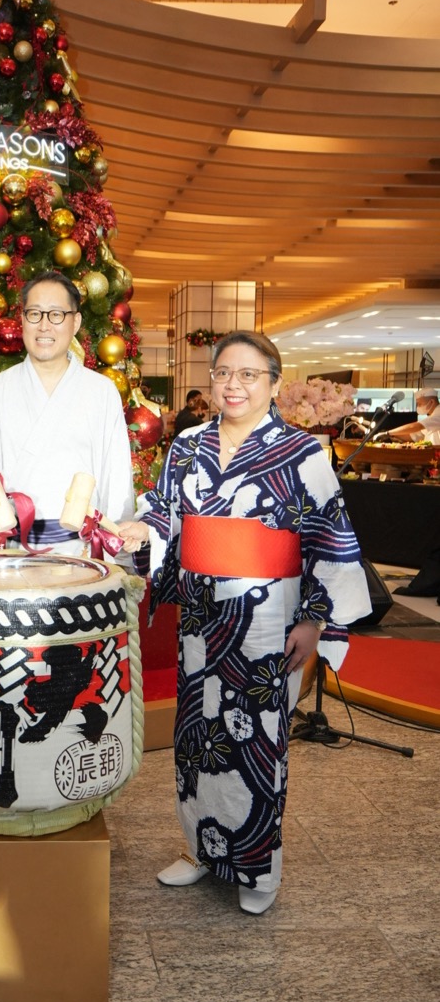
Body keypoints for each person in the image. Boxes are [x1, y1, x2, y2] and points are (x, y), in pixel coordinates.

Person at [116, 330, 371, 916]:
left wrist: (314, 619)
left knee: (255, 738)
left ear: (274, 384)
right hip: (200, 619)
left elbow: (327, 535)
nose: (233, 385)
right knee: (196, 738)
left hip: (267, 619)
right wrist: (141, 532)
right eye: (223, 373)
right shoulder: (187, 445)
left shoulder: (302, 454)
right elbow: (164, 513)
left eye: (248, 375)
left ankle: (259, 866)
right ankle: (205, 850)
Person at [0, 270, 135, 553]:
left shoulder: (101, 392)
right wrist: (3, 516)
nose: (44, 326)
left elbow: (116, 477)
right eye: (35, 314)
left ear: (75, 322)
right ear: (23, 319)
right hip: (14, 549)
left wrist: (113, 546)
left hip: (82, 551)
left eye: (56, 315)